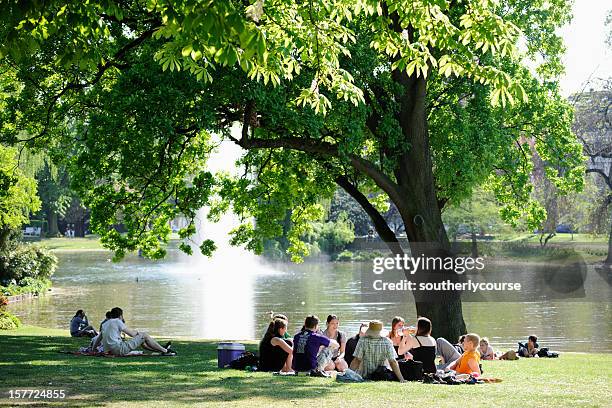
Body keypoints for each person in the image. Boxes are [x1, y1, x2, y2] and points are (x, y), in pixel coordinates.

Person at [91, 307, 175, 356]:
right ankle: (165, 351)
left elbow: (98, 339)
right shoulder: (117, 321)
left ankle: (161, 349)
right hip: (119, 350)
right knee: (144, 335)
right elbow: (131, 334)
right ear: (120, 315)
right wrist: (138, 333)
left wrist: (93, 350)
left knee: (141, 340)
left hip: (109, 350)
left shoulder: (105, 324)